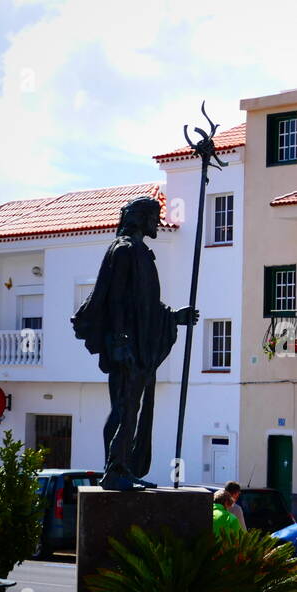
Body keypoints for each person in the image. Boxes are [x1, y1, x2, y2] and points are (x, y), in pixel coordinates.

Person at [71, 197, 198, 489]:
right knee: (125, 408)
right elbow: (115, 300)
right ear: (141, 218)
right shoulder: (125, 250)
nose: (158, 222)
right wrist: (120, 340)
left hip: (137, 344)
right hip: (126, 346)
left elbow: (145, 305)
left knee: (130, 408)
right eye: (154, 216)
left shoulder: (141, 252)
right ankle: (114, 469)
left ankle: (121, 466)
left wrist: (174, 318)